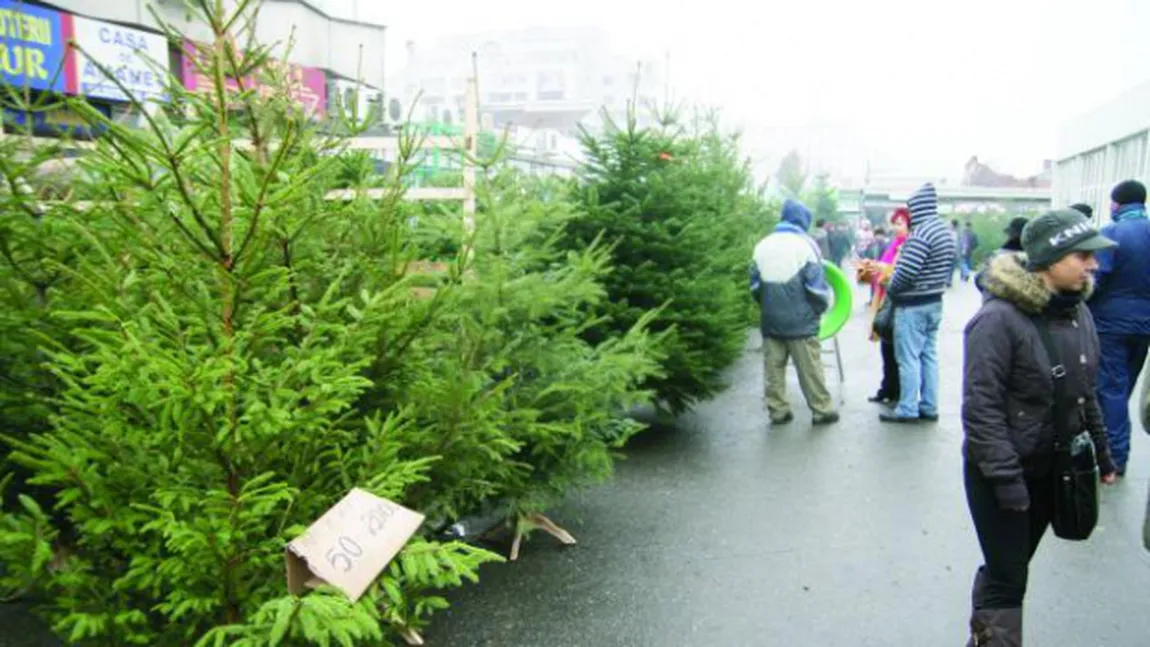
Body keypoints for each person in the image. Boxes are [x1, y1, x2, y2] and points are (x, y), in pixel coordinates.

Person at [962, 209, 1118, 646]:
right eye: (1083, 255)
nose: (1093, 265)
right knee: (1009, 575)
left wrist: (1103, 457)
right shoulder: (996, 321)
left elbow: (1084, 393)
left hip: (1056, 468)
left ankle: (984, 636)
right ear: (1050, 260)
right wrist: (1007, 481)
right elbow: (981, 409)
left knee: (1008, 568)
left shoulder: (1078, 312)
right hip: (1002, 475)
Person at [750, 198, 840, 426]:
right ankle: (822, 410)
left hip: (771, 319)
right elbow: (816, 289)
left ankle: (778, 411)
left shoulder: (762, 245)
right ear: (803, 221)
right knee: (809, 368)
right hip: (801, 322)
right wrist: (818, 312)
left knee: (773, 369)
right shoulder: (806, 246)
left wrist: (768, 306)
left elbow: (754, 287)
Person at [1087, 179, 1150, 477]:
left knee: (1111, 387)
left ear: (1115, 203)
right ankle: (1113, 438)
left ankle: (1114, 457)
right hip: (1145, 325)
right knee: (1124, 386)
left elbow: (1095, 280)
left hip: (1111, 324)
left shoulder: (1111, 234)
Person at [880, 183, 957, 423]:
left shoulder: (921, 234)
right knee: (928, 356)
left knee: (908, 358)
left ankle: (907, 408)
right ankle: (929, 406)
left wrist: (890, 288)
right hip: (935, 302)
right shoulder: (944, 231)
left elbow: (906, 274)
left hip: (913, 306)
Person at [858, 208, 910, 404]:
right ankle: (887, 389)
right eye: (894, 223)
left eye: (900, 223)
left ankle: (895, 391)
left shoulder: (907, 246)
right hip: (885, 300)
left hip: (897, 303)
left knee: (896, 350)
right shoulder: (894, 244)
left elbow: (898, 273)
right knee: (887, 348)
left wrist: (880, 268)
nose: (896, 227)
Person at [974, 217, 1027, 292]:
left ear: (1010, 234)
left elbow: (978, 280)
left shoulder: (996, 256)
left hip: (996, 300)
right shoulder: (1035, 258)